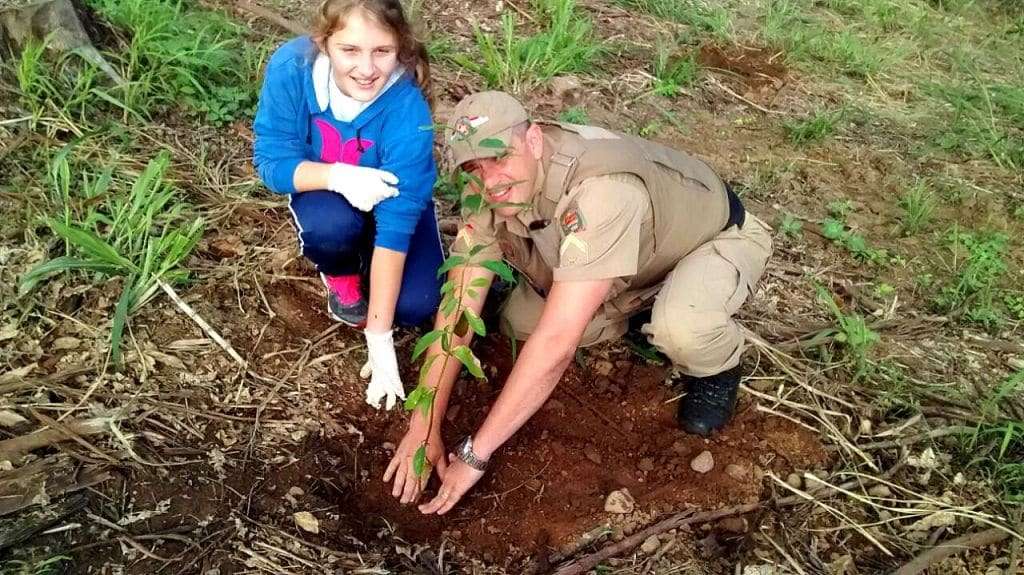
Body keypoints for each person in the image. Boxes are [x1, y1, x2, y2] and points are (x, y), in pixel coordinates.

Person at [383, 91, 773, 514]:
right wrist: (424, 424)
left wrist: (476, 454)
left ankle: (717, 368)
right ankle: (635, 305)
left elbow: (556, 345)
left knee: (680, 328)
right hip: (632, 255)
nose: (490, 180)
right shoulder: (484, 192)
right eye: (473, 168)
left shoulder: (603, 191)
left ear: (533, 140)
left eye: (501, 157)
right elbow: (458, 307)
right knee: (518, 324)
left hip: (709, 240)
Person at [252, 0, 441, 409]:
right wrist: (338, 176)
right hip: (331, 196)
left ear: (401, 48)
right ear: (324, 42)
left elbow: (397, 222)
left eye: (382, 52)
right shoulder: (293, 70)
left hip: (391, 203)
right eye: (349, 50)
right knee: (328, 226)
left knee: (416, 305)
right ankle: (343, 275)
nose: (367, 68)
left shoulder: (407, 107)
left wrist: (379, 338)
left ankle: (371, 265)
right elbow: (272, 161)